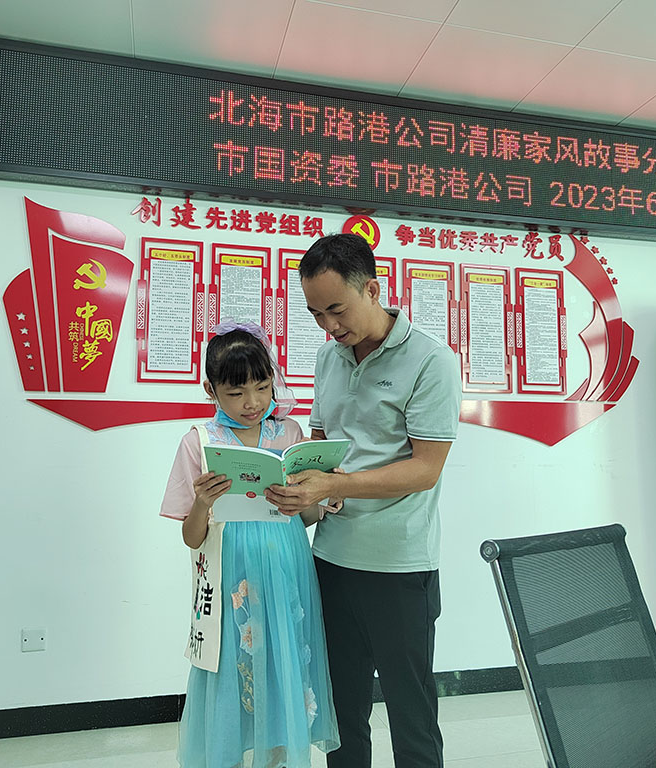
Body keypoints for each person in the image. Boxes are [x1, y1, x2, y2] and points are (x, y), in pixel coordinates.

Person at [264, 234, 462, 768]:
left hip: (399, 563)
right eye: (315, 313)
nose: (328, 326)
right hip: (331, 560)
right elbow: (322, 446)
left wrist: (335, 486)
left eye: (337, 309)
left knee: (411, 714)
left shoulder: (431, 361)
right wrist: (295, 483)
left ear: (372, 290)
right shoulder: (327, 358)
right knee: (340, 713)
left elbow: (425, 469)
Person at [160, 321, 340, 768]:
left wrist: (322, 496)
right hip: (232, 576)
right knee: (233, 665)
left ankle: (278, 758)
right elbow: (191, 537)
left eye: (262, 388)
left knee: (284, 663)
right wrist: (203, 502)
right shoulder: (199, 443)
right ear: (211, 390)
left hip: (287, 567)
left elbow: (306, 517)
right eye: (236, 392)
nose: (253, 403)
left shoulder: (289, 435)